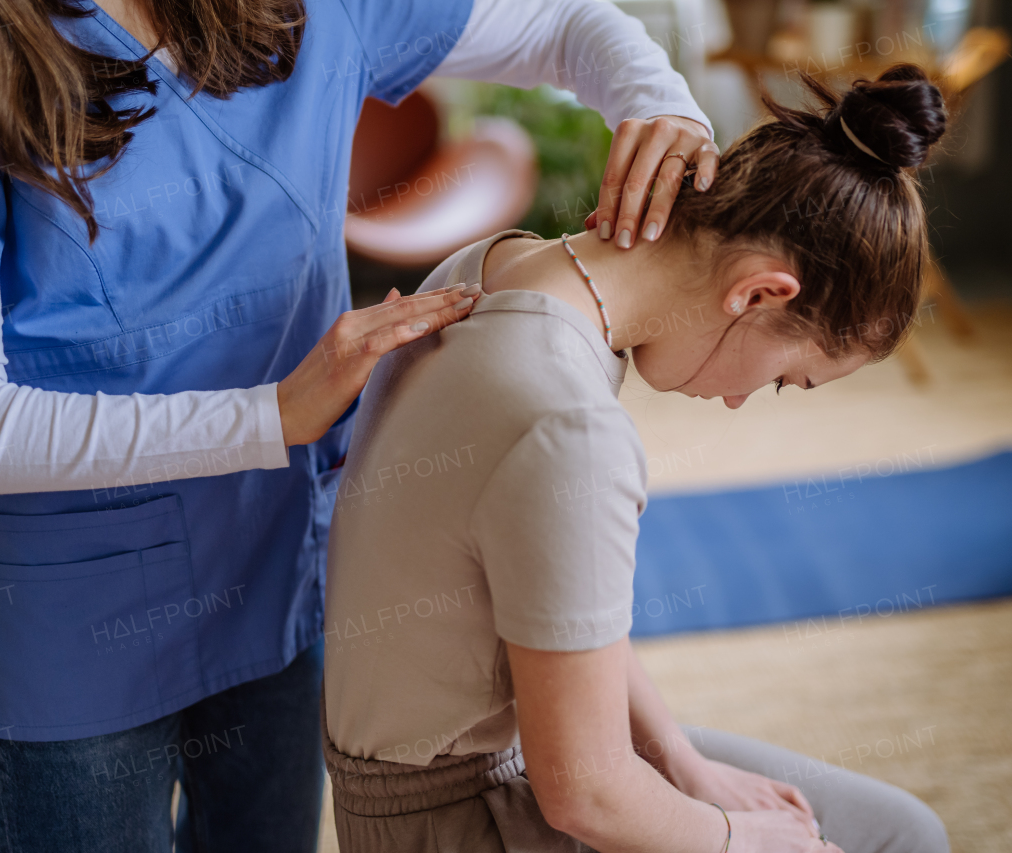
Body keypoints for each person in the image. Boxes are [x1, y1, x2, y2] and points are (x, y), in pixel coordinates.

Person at [0, 0, 718, 849]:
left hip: (279, 565)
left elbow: (564, 25)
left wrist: (658, 100)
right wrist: (273, 415)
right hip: (77, 613)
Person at [321, 65, 953, 853]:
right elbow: (586, 792)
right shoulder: (566, 426)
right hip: (463, 820)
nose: (738, 401)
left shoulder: (492, 265)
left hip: (454, 783)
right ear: (758, 294)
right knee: (896, 841)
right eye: (787, 380)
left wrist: (684, 763)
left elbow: (547, 604)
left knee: (900, 827)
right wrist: (748, 841)